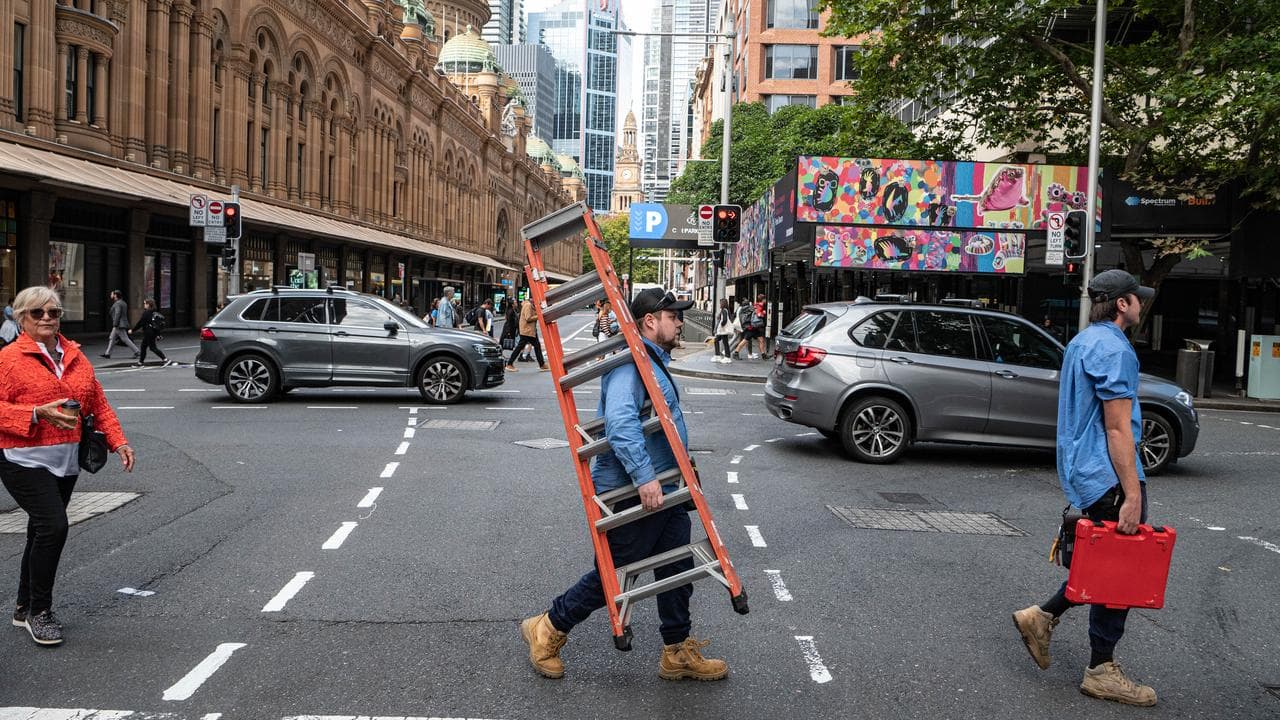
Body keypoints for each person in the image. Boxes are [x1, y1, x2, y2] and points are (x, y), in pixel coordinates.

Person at [520, 288, 728, 681]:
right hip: (635, 490)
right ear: (650, 321)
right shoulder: (630, 364)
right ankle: (548, 627)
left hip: (666, 488)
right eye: (673, 316)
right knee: (614, 572)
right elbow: (619, 423)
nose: (680, 322)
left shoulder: (651, 360)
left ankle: (676, 651)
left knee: (677, 567)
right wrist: (644, 476)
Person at [1012, 269, 1158, 707]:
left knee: (1106, 561)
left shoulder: (1082, 341)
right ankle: (1101, 670)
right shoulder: (1115, 349)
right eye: (1136, 297)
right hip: (1109, 473)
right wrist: (1132, 493)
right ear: (1122, 304)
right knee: (1121, 570)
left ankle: (1043, 616)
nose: (1141, 303)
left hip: (1084, 468)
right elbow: (1117, 427)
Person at [0, 285, 135, 646]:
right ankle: (39, 612)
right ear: (21, 318)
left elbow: (98, 402)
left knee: (39, 530)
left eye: (54, 312)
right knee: (53, 526)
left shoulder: (74, 355)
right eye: (37, 312)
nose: (47, 318)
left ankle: (23, 606)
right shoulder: (8, 359)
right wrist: (34, 413)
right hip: (22, 459)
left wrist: (117, 440)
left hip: (65, 459)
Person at [505, 297, 547, 371]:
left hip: (529, 330)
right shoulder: (528, 305)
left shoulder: (529, 305)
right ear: (532, 299)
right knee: (521, 347)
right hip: (527, 331)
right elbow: (528, 318)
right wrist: (539, 316)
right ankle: (509, 364)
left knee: (536, 346)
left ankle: (542, 364)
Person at [131, 299, 172, 367]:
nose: (144, 305)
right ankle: (140, 363)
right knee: (143, 347)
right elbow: (155, 325)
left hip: (148, 333)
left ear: (148, 305)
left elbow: (141, 323)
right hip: (151, 332)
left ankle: (166, 360)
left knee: (152, 348)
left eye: (145, 304)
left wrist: (133, 330)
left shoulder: (146, 313)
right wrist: (158, 334)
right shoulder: (154, 312)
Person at [101, 290, 140, 360]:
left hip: (119, 324)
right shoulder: (123, 302)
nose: (111, 295)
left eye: (112, 294)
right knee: (112, 338)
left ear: (115, 295)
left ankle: (137, 351)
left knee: (125, 339)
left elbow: (117, 313)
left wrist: (115, 323)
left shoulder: (117, 303)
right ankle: (107, 353)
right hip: (121, 323)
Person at [713, 298, 734, 363]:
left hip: (723, 330)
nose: (720, 304)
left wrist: (722, 325)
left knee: (724, 342)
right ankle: (718, 355)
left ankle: (727, 357)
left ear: (723, 304)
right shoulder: (725, 310)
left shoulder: (724, 310)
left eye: (720, 303)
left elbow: (724, 320)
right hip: (723, 330)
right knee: (717, 340)